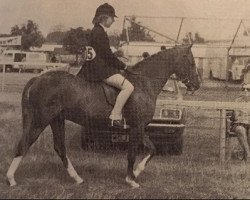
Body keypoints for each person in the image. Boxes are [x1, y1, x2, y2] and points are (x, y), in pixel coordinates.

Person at [83, 3, 134, 128]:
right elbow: (108, 56)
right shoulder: (100, 33)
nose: (113, 21)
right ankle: (115, 116)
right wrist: (124, 66)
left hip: (92, 68)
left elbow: (103, 53)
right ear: (104, 17)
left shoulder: (95, 31)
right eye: (112, 18)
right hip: (100, 71)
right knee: (128, 87)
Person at [231, 90, 250, 164]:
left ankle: (246, 155)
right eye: (243, 89)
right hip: (240, 123)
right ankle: (248, 154)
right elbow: (236, 117)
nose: (245, 91)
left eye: (248, 90)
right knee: (240, 129)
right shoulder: (238, 101)